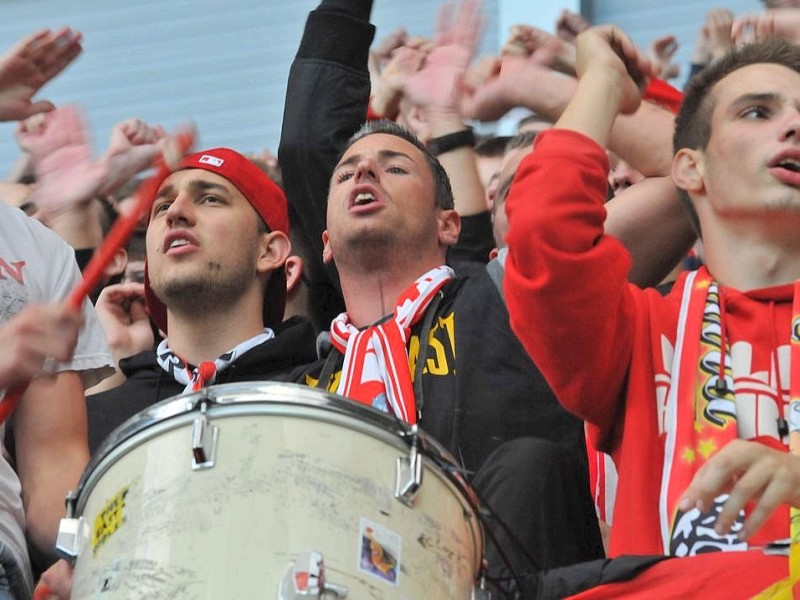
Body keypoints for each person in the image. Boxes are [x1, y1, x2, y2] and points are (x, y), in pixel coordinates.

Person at [280, 2, 603, 596]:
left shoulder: (510, 300)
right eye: (347, 171)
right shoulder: (298, 392)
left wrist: (562, 85)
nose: (363, 175)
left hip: (507, 573)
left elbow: (678, 187)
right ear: (323, 243)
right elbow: (305, 149)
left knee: (528, 465)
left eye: (394, 167)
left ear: (450, 224)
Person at [502, 24, 800, 595]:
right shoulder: (638, 333)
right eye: (757, 113)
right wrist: (602, 83)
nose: (793, 124)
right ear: (689, 168)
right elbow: (542, 233)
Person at [84, 146, 318, 453]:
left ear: (270, 251)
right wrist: (108, 367)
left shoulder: (326, 386)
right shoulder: (84, 423)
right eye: (162, 207)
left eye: (210, 198)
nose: (176, 213)